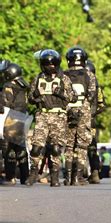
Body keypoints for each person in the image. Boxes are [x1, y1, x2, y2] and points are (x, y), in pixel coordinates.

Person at [25, 49, 77, 187]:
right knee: (36, 147)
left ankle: (54, 175)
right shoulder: (38, 78)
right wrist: (35, 96)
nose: (49, 67)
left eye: (52, 64)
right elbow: (29, 98)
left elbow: (73, 97)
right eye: (46, 64)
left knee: (55, 148)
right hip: (42, 115)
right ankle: (33, 172)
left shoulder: (64, 79)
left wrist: (61, 94)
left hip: (58, 116)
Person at [63, 46, 97, 186]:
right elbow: (92, 94)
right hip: (84, 110)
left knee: (69, 145)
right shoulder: (89, 75)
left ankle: (68, 177)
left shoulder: (63, 75)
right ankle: (78, 177)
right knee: (82, 145)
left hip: (67, 110)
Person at [0, 63, 30, 185]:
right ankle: (25, 177)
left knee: (8, 150)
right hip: (23, 117)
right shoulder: (23, 85)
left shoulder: (9, 86)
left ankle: (10, 177)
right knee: (21, 149)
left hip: (11, 118)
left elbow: (5, 104)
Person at [85, 60, 105, 184]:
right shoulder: (97, 88)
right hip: (91, 121)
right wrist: (92, 114)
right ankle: (95, 171)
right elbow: (102, 105)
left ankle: (77, 174)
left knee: (77, 147)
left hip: (78, 120)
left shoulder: (75, 84)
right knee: (92, 148)